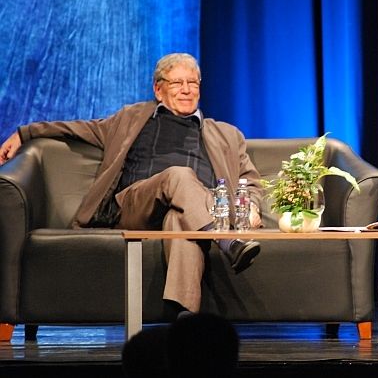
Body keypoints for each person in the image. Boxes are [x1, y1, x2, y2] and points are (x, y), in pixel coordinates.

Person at [0, 53, 263, 317]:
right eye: (177, 83)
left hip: (196, 210)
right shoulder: (131, 119)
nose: (186, 90)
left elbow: (251, 181)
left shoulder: (227, 134)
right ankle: (226, 241)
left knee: (179, 220)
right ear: (158, 90)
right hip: (137, 205)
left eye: (193, 83)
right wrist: (25, 133)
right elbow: (75, 128)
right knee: (179, 176)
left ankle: (185, 318)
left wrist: (251, 207)